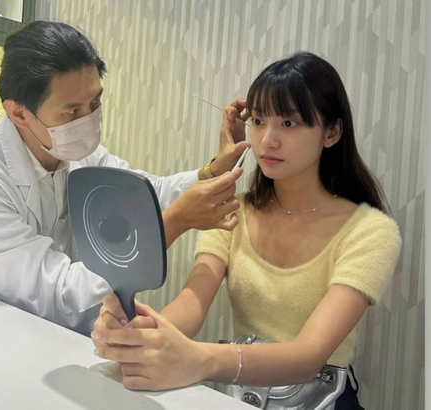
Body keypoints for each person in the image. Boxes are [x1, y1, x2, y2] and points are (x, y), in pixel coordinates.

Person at [91, 52, 402, 409]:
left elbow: (308, 356)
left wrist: (201, 359)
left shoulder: (370, 231)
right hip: (245, 397)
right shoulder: (232, 210)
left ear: (331, 132)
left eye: (289, 123)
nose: (267, 140)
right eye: (257, 120)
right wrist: (137, 331)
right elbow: (192, 304)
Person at [0, 21, 250, 334]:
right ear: (19, 113)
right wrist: (173, 223)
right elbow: (58, 297)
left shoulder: (75, 153)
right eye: (72, 111)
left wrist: (213, 170)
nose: (88, 120)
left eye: (95, 102)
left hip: (47, 339)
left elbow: (145, 193)